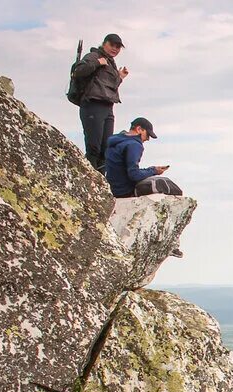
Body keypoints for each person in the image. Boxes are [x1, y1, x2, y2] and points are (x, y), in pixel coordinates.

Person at [105, 118, 185, 256]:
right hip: (125, 189)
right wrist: (153, 170)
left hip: (113, 186)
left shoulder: (115, 141)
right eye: (147, 135)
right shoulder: (134, 145)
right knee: (170, 189)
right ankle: (171, 243)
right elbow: (134, 174)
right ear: (139, 129)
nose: (147, 139)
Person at [72, 33, 129, 172]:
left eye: (118, 47)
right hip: (93, 105)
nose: (115, 49)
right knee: (94, 147)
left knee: (106, 148)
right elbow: (77, 71)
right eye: (112, 45)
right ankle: (89, 181)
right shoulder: (94, 56)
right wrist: (97, 63)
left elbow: (106, 86)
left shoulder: (110, 62)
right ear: (104, 43)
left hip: (107, 107)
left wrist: (120, 77)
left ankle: (100, 183)